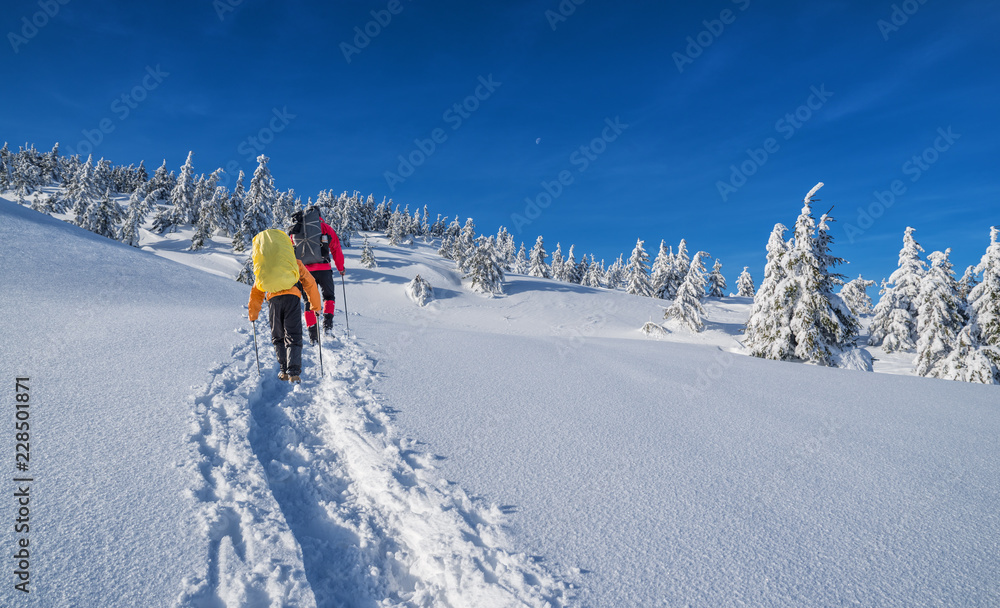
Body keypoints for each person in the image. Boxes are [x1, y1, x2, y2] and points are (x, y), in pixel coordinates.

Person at [248, 229, 322, 382]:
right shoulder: (294, 263)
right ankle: (294, 372)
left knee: (278, 336)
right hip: (292, 297)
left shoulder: (266, 267)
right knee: (293, 334)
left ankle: (283, 370)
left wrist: (253, 314)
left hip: (273, 300)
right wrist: (316, 306)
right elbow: (310, 282)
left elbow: (256, 291)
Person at [289, 207, 346, 343]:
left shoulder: (296, 230)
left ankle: (313, 335)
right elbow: (336, 247)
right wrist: (341, 268)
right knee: (328, 297)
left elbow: (291, 252)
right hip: (324, 269)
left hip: (305, 272)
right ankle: (327, 327)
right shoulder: (325, 227)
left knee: (308, 302)